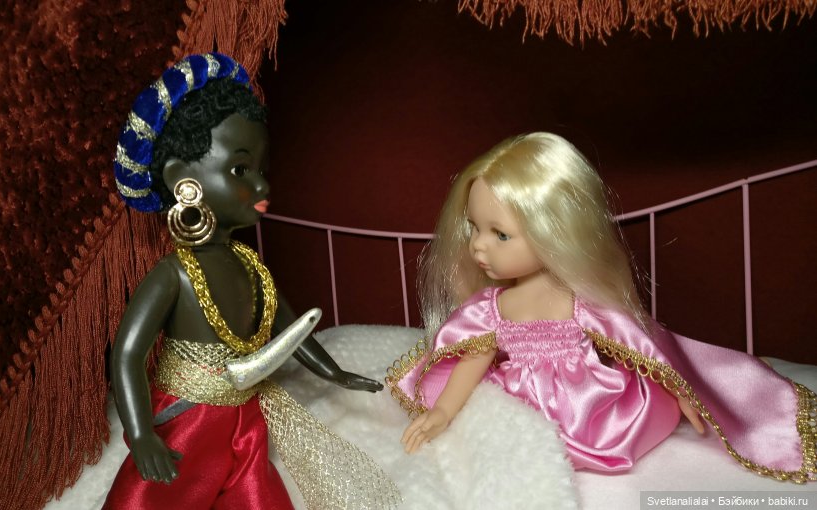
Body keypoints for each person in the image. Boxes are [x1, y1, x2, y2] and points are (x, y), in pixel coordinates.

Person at [387, 132, 816, 481]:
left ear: (553, 231)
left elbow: (641, 346)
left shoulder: (580, 303)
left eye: (499, 234)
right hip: (520, 403)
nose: (478, 245)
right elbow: (473, 360)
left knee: (638, 412)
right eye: (474, 228)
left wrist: (683, 389)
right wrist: (443, 411)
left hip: (588, 405)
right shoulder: (492, 309)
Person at [106, 53, 398, 509]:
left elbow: (290, 328)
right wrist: (142, 434)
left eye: (262, 170)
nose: (261, 186)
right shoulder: (174, 273)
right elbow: (127, 353)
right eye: (241, 170)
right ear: (183, 179)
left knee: (257, 496)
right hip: (186, 424)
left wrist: (334, 372)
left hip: (242, 423)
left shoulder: (250, 264)